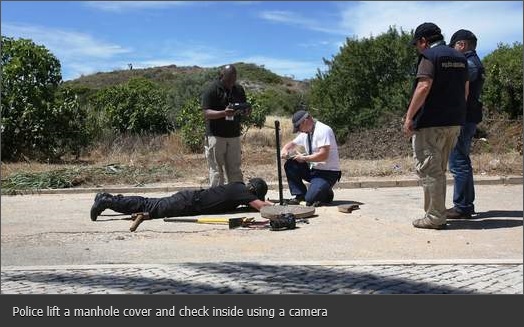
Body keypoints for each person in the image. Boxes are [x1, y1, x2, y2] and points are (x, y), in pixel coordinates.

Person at [403, 22, 469, 229]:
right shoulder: (460, 57)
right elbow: (465, 90)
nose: (417, 48)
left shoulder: (429, 57)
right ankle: (435, 212)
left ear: (424, 41)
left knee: (430, 170)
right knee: (439, 169)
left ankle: (434, 217)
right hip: (454, 122)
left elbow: (423, 86)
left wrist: (409, 117)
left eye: (417, 44)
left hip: (431, 124)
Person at [90, 178, 271, 221]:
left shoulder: (238, 187)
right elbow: (262, 208)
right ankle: (107, 201)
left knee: (149, 203)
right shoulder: (242, 191)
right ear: (253, 191)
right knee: (149, 206)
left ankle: (108, 199)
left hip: (189, 201)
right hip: (187, 202)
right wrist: (276, 207)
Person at [446, 29, 485, 219]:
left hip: (463, 119)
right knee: (463, 161)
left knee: (458, 162)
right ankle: (466, 205)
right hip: (470, 117)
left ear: (461, 45)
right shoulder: (475, 62)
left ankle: (461, 207)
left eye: (454, 47)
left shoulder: (468, 64)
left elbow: (463, 92)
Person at [280, 107, 341, 207]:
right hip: (314, 170)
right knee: (291, 164)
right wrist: (284, 150)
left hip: (328, 173)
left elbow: (323, 156)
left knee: (310, 200)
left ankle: (326, 192)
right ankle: (300, 195)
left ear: (305, 121)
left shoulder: (323, 130)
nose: (300, 131)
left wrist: (304, 158)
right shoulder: (306, 132)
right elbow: (291, 144)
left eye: (299, 127)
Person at [201, 64, 251, 187]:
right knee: (217, 171)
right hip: (216, 136)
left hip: (234, 135)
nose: (231, 83)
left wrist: (246, 111)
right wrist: (224, 113)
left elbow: (244, 106)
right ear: (222, 76)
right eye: (229, 80)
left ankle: (237, 196)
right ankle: (216, 200)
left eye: (233, 80)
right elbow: (206, 113)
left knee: (235, 169)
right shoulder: (211, 89)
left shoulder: (238, 89)